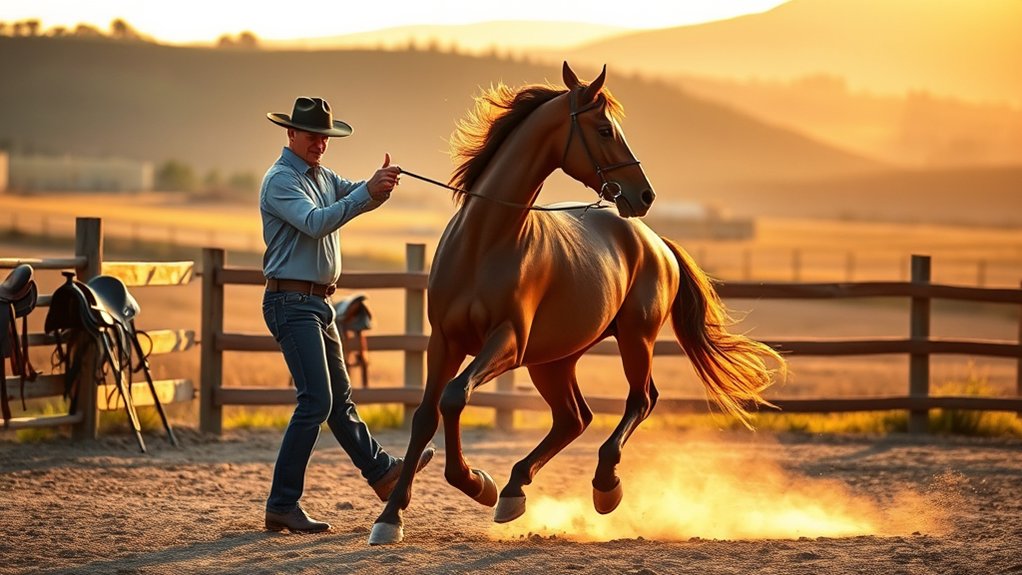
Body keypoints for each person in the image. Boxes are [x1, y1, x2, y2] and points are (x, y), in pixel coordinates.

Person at [260, 96, 434, 533]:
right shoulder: (282, 181)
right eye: (313, 136)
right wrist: (365, 193)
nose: (320, 143)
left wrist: (380, 185)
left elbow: (358, 196)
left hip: (316, 304)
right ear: (291, 134)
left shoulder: (321, 175)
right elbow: (318, 222)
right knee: (317, 401)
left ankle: (382, 473)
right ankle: (282, 504)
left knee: (338, 400)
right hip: (291, 303)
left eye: (325, 137)